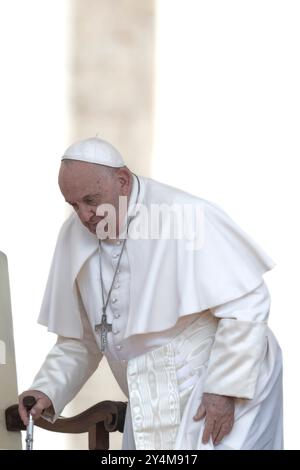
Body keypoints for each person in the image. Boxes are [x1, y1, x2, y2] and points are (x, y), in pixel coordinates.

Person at [19, 137, 283, 450]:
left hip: (217, 376)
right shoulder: (74, 235)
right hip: (148, 392)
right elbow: (83, 339)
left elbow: (247, 303)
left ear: (122, 181)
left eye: (91, 200)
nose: (85, 216)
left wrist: (224, 389)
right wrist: (48, 389)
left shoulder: (185, 214)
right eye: (74, 205)